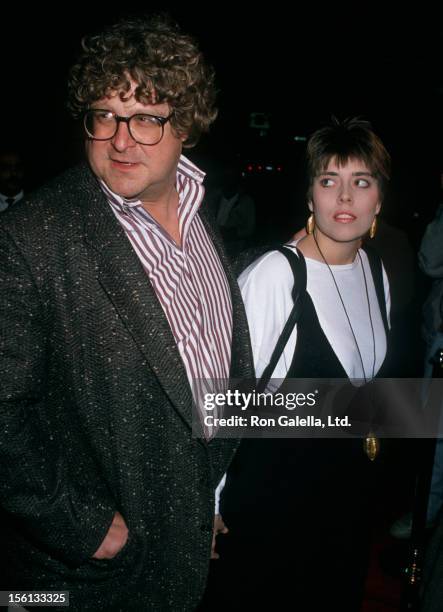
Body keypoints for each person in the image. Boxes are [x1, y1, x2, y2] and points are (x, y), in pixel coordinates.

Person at [0, 16, 253, 611]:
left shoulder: (202, 220)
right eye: (104, 116)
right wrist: (83, 526)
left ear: (185, 123)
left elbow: (206, 379)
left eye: (145, 117)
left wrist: (205, 498)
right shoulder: (32, 237)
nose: (120, 139)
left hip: (184, 552)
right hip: (82, 582)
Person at [203, 118, 394, 611]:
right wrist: (209, 503)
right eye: (329, 181)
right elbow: (225, 398)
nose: (345, 198)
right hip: (274, 504)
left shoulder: (376, 271)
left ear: (379, 198)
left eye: (361, 182)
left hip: (344, 500)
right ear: (310, 196)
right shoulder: (275, 275)